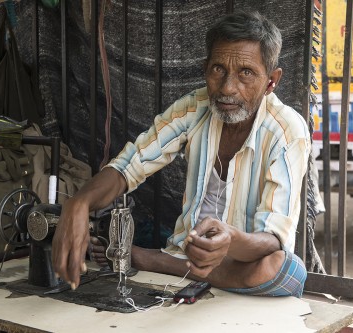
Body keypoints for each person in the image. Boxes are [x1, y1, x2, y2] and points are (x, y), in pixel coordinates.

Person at [52, 10, 310, 298]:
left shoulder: (287, 131)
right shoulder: (194, 108)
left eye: (246, 73)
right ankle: (180, 265)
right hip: (196, 258)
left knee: (284, 266)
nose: (227, 87)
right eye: (217, 69)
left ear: (271, 81)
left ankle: (155, 261)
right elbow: (130, 165)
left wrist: (230, 240)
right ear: (205, 68)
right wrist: (78, 203)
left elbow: (273, 238)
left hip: (245, 262)